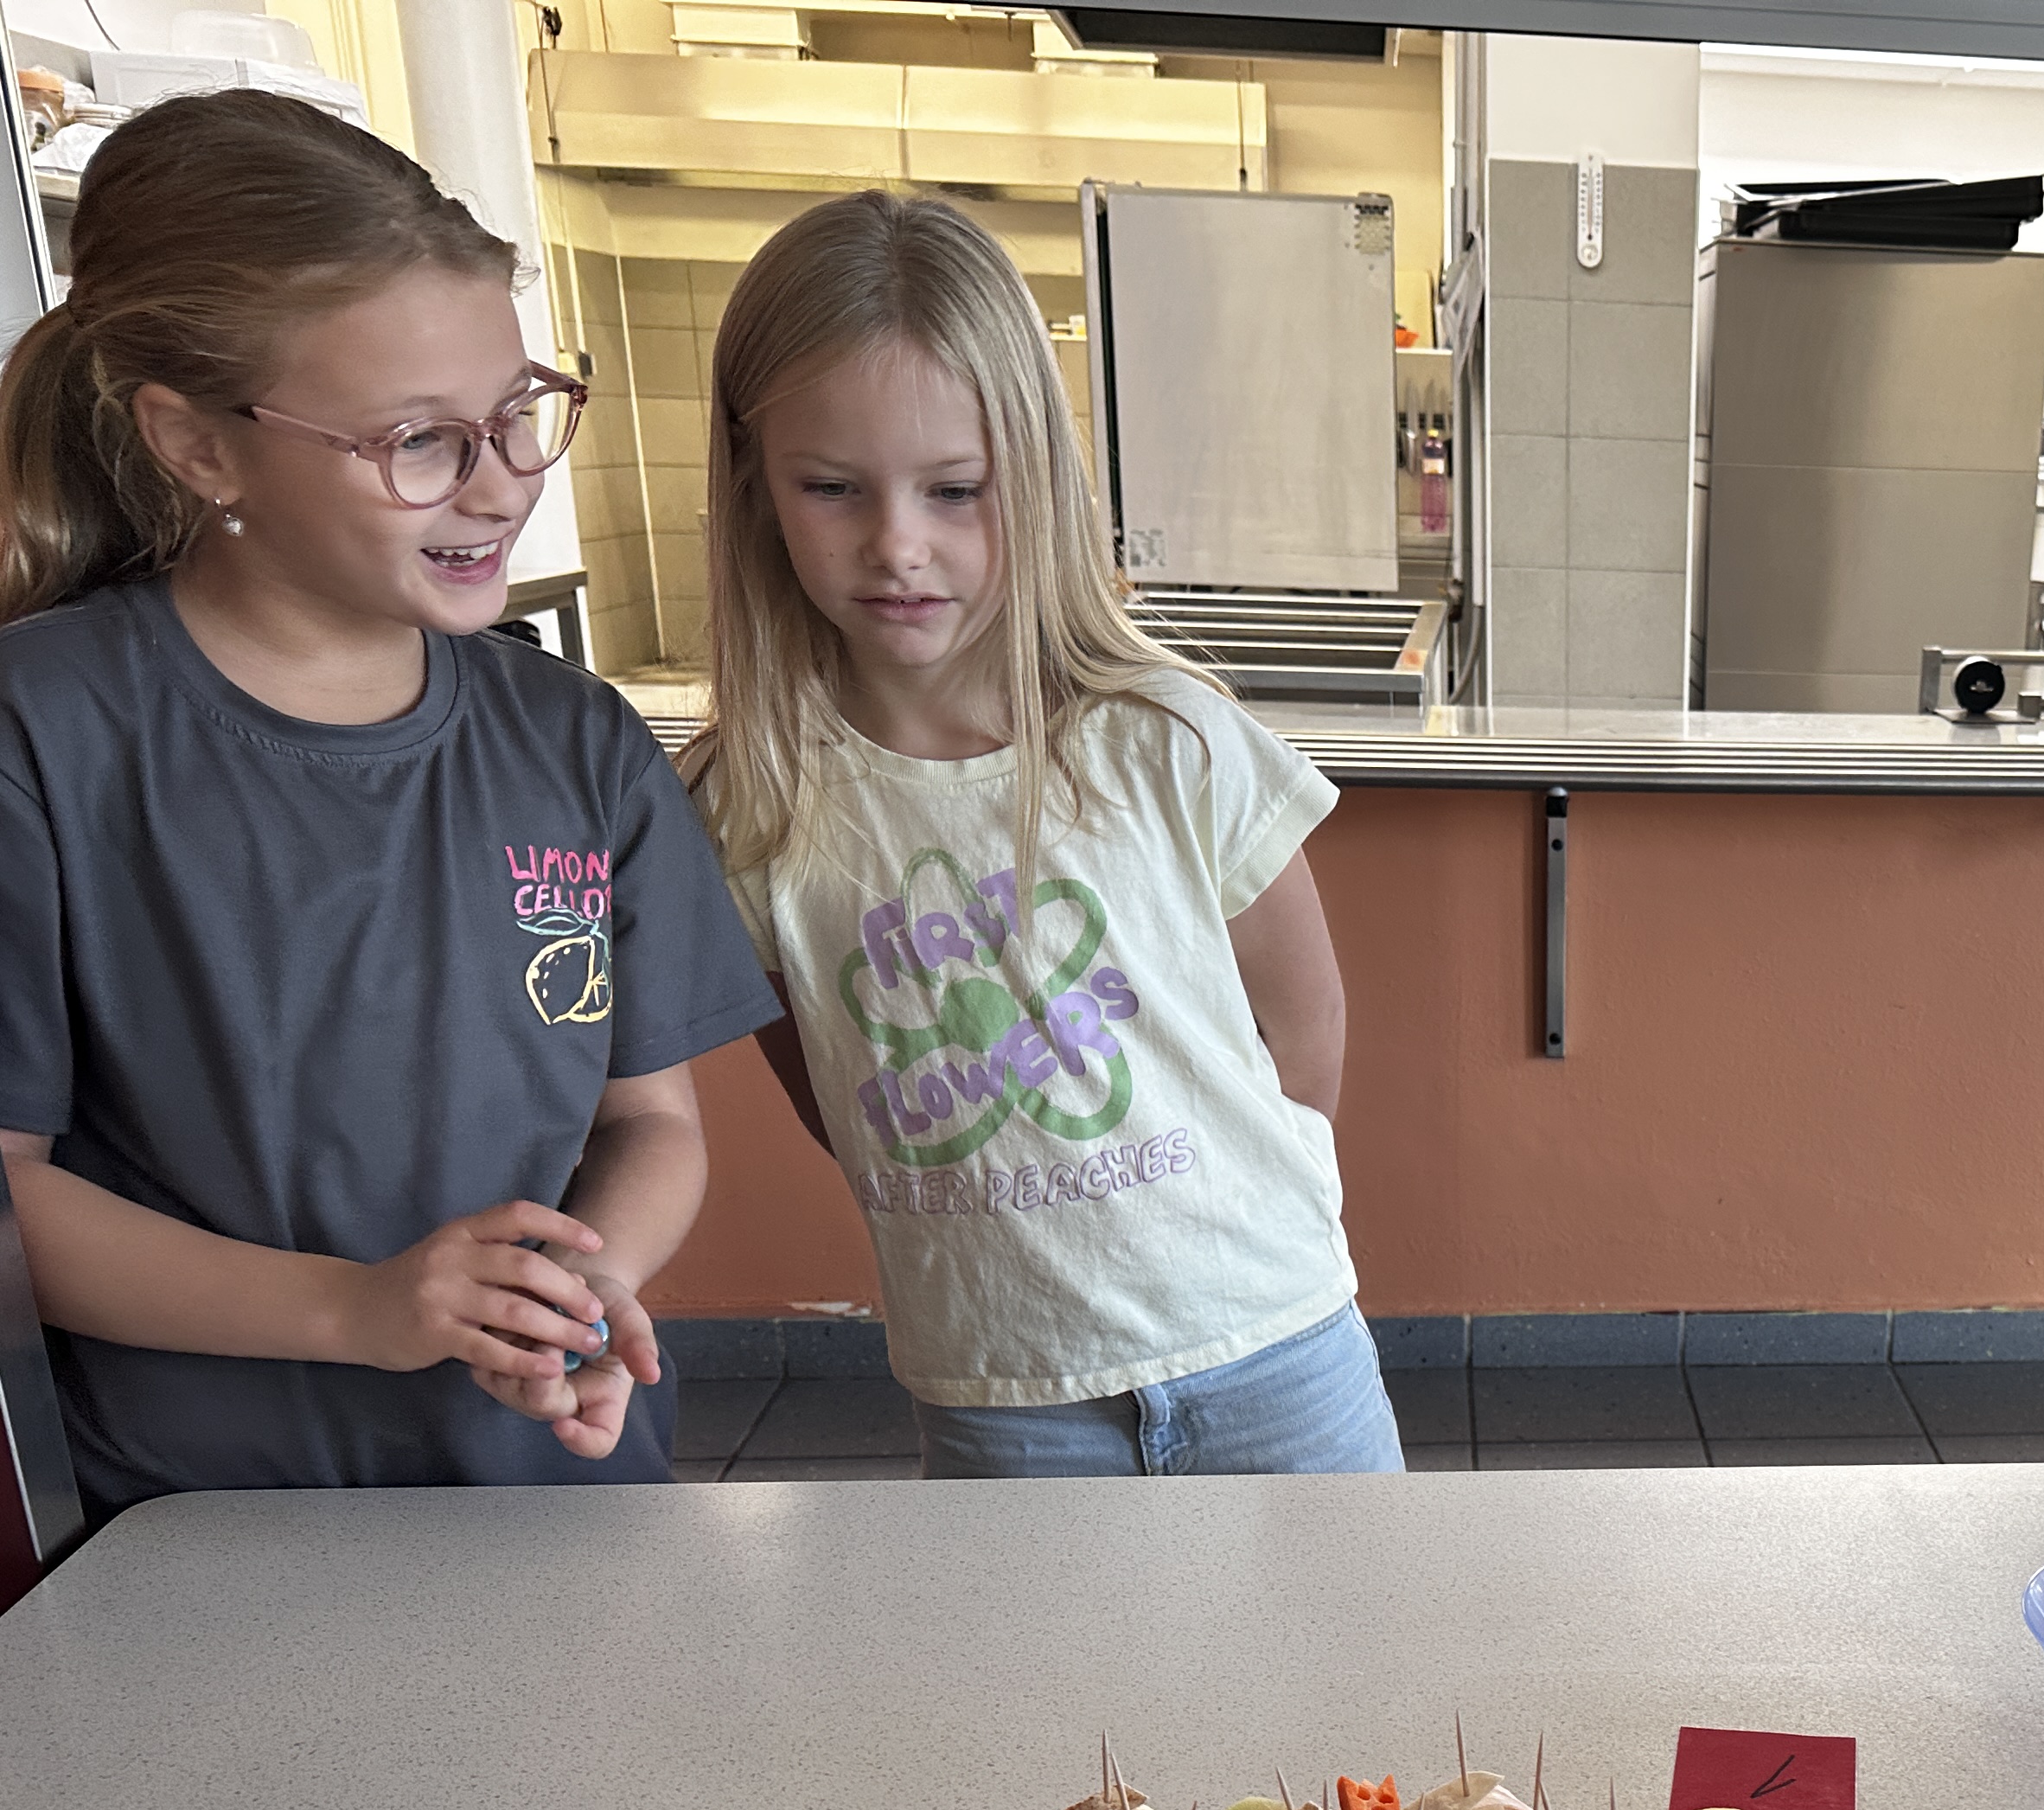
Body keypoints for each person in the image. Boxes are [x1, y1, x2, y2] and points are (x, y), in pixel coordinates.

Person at [0, 93, 776, 1521]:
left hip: (551, 1499)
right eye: (420, 440)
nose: (500, 487)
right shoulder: (43, 734)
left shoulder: (578, 742)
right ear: (198, 445)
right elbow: (6, 1194)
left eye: (517, 413)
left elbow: (651, 1125)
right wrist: (357, 1310)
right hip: (205, 1533)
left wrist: (572, 1298)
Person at [689, 192, 1400, 1477]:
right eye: (832, 488)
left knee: (1352, 1621)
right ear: (756, 485)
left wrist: (1225, 1235)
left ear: (1036, 472)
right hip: (1004, 1392)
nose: (899, 545)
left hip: (1278, 1349)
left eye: (957, 490)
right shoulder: (748, 808)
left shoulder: (1168, 740)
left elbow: (1304, 1028)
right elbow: (846, 1101)